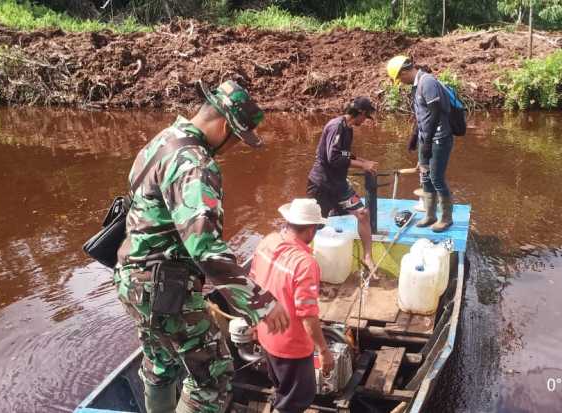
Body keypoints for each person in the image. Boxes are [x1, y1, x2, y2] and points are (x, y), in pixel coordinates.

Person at [114, 80, 290, 413]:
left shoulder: (161, 141)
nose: (233, 147)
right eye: (235, 139)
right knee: (213, 377)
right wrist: (261, 303)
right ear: (224, 125)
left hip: (132, 281)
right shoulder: (195, 163)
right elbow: (205, 247)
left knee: (160, 365)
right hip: (165, 287)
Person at [249, 198, 335, 413]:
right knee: (297, 400)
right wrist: (324, 351)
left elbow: (250, 286)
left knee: (281, 386)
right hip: (292, 347)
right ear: (311, 230)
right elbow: (307, 315)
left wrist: (253, 325)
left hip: (266, 335)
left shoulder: (267, 241)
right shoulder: (305, 264)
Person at [306, 97, 379, 269]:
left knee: (362, 214)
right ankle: (306, 260)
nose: (365, 120)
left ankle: (367, 257)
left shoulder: (349, 129)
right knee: (314, 224)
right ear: (360, 113)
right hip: (321, 185)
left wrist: (363, 160)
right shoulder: (336, 126)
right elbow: (333, 157)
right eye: (366, 116)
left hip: (339, 184)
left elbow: (344, 154)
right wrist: (363, 165)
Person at [386, 55, 454, 232]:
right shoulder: (416, 87)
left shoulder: (428, 82)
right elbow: (421, 115)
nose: (400, 82)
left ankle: (446, 219)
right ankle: (430, 215)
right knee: (425, 176)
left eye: (400, 78)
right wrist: (415, 137)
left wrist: (428, 142)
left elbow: (436, 112)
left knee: (436, 178)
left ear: (405, 71)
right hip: (426, 138)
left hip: (439, 138)